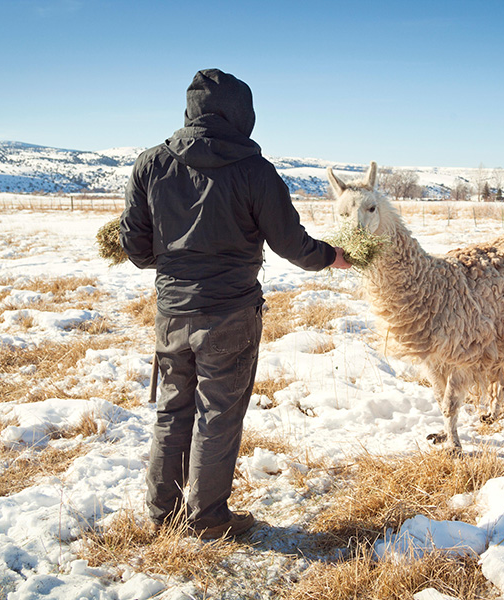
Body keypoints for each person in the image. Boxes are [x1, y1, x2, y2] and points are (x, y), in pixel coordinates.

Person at [120, 68, 351, 540]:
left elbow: (137, 249)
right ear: (242, 114)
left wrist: (174, 260)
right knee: (217, 415)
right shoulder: (255, 171)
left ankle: (163, 516)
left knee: (172, 409)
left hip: (172, 313)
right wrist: (331, 256)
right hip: (230, 313)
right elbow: (291, 243)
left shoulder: (150, 164)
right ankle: (206, 520)